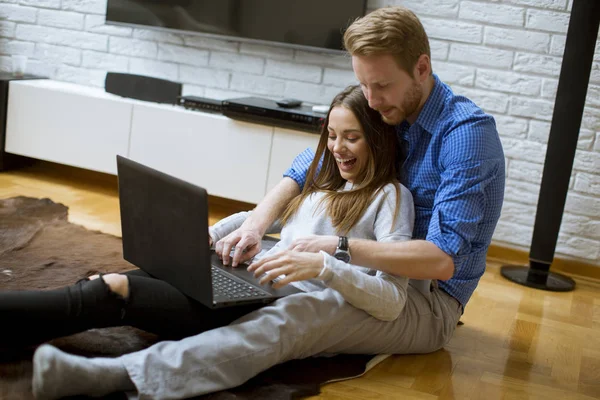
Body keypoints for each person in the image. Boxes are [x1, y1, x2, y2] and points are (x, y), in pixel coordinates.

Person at [29, 5, 505, 399]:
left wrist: (335, 249)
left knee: (300, 316)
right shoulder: (389, 107)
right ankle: (100, 299)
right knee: (236, 276)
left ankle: (124, 377)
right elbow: (305, 166)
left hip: (425, 303)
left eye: (382, 86)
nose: (373, 98)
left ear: (422, 67)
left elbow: (442, 261)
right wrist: (257, 225)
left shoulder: (464, 137)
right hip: (358, 263)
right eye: (364, 84)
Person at [9, 85, 412, 398]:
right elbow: (257, 219)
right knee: (131, 275)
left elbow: (391, 300)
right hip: (245, 279)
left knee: (116, 289)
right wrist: (214, 234)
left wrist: (328, 268)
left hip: (267, 302)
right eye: (332, 136)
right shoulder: (325, 183)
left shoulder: (390, 197)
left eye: (352, 138)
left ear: (377, 139)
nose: (337, 148)